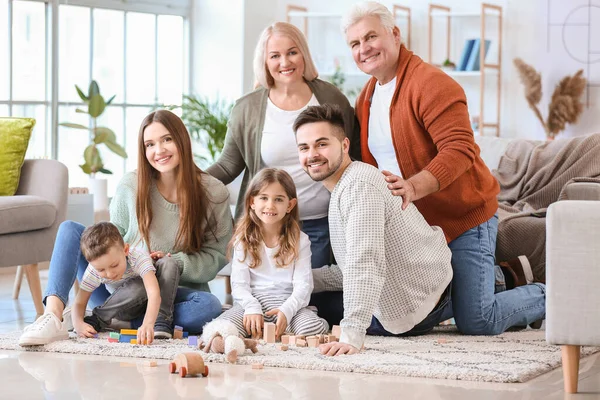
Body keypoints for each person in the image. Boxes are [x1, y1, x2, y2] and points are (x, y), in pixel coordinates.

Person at [342, 1, 545, 335]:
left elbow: (460, 149)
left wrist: (413, 186)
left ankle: (547, 295)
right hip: (416, 229)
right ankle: (501, 277)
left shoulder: (431, 83)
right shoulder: (367, 96)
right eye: (354, 44)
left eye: (370, 37)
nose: (364, 49)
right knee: (400, 321)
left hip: (462, 217)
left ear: (395, 35)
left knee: (478, 320)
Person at [19, 110, 232, 346]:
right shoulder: (131, 185)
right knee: (70, 229)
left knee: (209, 307)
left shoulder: (213, 192)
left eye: (167, 139)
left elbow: (217, 255)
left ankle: (111, 320)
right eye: (150, 144)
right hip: (119, 289)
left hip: (172, 295)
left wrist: (174, 262)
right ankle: (52, 316)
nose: (159, 150)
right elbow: (111, 238)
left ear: (182, 139)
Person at [294, 104, 453, 356]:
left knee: (318, 309)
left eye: (322, 144)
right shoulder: (342, 186)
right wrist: (296, 278)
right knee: (310, 301)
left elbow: (364, 262)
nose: (312, 154)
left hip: (419, 303)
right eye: (304, 148)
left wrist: (351, 337)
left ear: (345, 145)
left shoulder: (359, 186)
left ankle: (530, 291)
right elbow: (349, 268)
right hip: (410, 283)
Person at [207, 21, 361, 270]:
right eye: (275, 55)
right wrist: (188, 181)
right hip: (267, 224)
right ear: (265, 62)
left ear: (304, 54)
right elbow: (227, 165)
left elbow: (353, 155)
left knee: (313, 301)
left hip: (321, 225)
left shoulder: (332, 99)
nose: (285, 62)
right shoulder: (247, 108)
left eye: (292, 52)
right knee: (264, 299)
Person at [214, 168, 329, 339]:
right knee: (221, 329)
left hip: (286, 302)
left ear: (290, 205)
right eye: (263, 198)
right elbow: (239, 285)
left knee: (312, 328)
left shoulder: (301, 240)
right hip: (252, 302)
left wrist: (287, 309)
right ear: (252, 202)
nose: (270, 205)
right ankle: (240, 333)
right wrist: (252, 308)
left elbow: (304, 285)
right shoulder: (242, 240)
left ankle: (291, 321)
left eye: (279, 199)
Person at [72, 222, 181, 344]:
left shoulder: (138, 257)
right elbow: (79, 302)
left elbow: (154, 293)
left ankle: (161, 320)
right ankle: (99, 318)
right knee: (139, 286)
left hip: (153, 304)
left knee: (169, 262)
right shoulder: (93, 271)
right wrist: (78, 324)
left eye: (114, 265)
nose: (109, 274)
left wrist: (148, 324)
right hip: (124, 308)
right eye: (101, 270)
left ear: (125, 250)